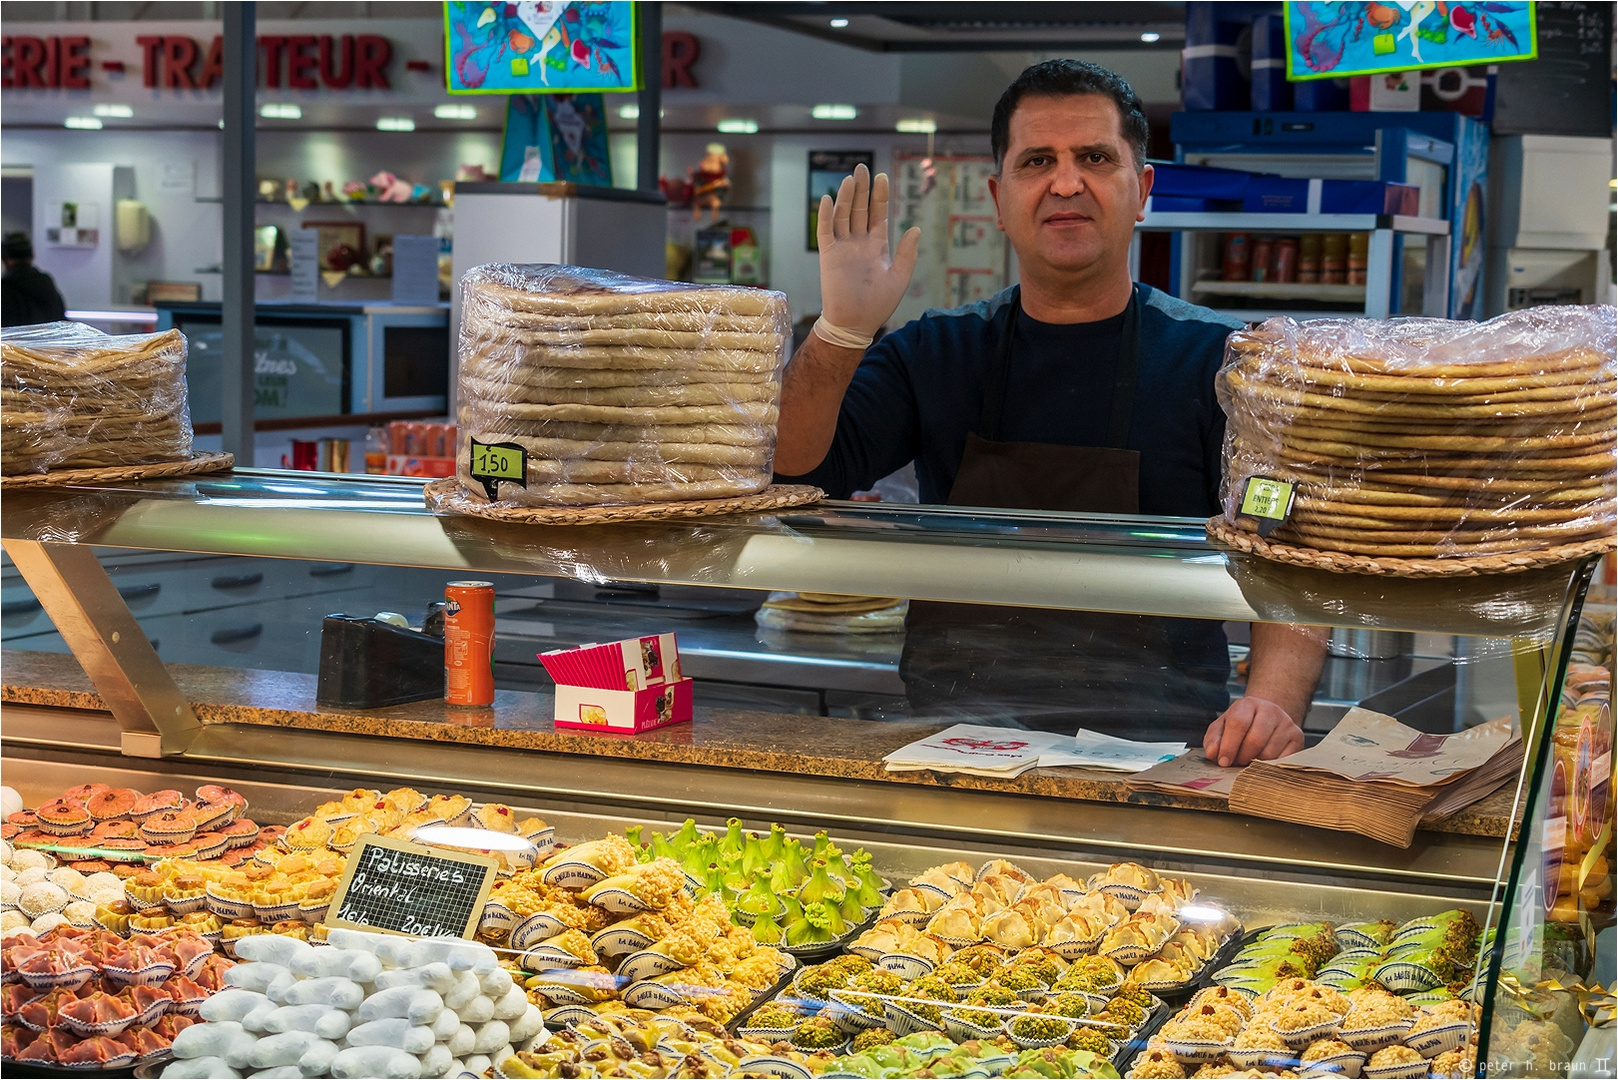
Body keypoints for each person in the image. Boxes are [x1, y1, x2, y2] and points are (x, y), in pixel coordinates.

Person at [774, 60, 1328, 766]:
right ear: (1000, 200)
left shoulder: (1223, 366)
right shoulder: (935, 353)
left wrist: (1273, 703)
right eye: (1039, 161)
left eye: (1094, 157)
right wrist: (841, 332)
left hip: (1161, 757)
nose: (1066, 182)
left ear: (1143, 190)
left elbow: (1288, 547)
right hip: (954, 750)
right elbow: (795, 465)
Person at [1, 232, 67, 328]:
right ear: (31, 257)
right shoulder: (47, 285)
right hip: (48, 342)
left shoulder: (4, 291)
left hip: (14, 343)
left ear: (5, 260)